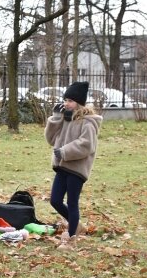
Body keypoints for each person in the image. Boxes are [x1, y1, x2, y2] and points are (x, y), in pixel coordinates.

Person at [44, 81, 103, 238]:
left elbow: (87, 145)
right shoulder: (65, 118)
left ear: (79, 103)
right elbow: (51, 139)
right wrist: (56, 118)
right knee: (55, 200)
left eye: (70, 100)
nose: (66, 103)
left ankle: (71, 239)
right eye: (65, 100)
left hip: (77, 169)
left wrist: (64, 152)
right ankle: (76, 226)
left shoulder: (88, 122)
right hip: (62, 167)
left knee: (72, 203)